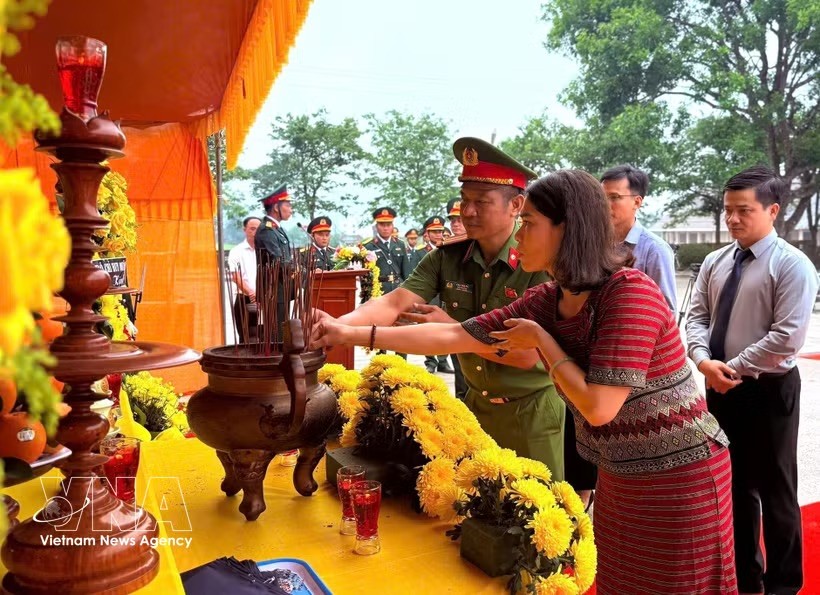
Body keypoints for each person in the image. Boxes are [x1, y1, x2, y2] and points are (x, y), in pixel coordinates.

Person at [316, 169, 736, 594]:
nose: (519, 235)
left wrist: (541, 341)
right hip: (621, 472)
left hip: (682, 477)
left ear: (566, 228)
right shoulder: (549, 298)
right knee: (624, 583)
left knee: (684, 585)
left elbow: (599, 406)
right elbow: (453, 335)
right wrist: (347, 333)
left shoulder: (629, 293)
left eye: (530, 222)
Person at [313, 137, 565, 480]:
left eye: (482, 201)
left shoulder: (540, 262)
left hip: (531, 414)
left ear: (516, 205)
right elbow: (394, 302)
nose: (468, 211)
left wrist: (453, 327)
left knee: (536, 514)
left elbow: (526, 355)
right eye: (465, 200)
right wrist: (335, 324)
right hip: (474, 408)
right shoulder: (448, 257)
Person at [686, 165, 818, 595]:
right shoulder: (715, 261)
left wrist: (734, 366)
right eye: (728, 210)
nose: (733, 219)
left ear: (773, 210)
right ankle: (746, 581)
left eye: (744, 210)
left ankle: (784, 585)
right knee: (734, 488)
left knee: (778, 490)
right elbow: (697, 317)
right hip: (718, 385)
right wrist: (704, 361)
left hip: (769, 390)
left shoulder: (792, 265)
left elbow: (787, 337)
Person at [601, 164, 677, 311]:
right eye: (601, 198)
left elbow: (667, 311)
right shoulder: (593, 244)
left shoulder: (654, 250)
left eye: (614, 197)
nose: (605, 205)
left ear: (637, 202)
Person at [254, 184, 294, 342]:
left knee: (283, 333)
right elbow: (278, 260)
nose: (291, 209)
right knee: (277, 336)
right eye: (288, 205)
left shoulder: (277, 229)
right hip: (272, 290)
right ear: (276, 207)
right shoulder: (267, 230)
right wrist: (299, 270)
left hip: (281, 289)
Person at [419, 216, 455, 375]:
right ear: (427, 232)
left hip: (446, 295)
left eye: (440, 231)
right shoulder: (419, 252)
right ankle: (430, 360)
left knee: (446, 328)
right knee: (428, 329)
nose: (438, 234)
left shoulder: (448, 248)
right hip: (429, 296)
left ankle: (442, 360)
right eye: (434, 231)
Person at [227, 216, 261, 342]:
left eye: (258, 229)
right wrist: (251, 293)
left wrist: (262, 295)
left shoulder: (266, 250)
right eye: (252, 229)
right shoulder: (236, 251)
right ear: (244, 230)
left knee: (264, 338)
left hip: (265, 300)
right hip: (244, 300)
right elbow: (236, 276)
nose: (255, 232)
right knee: (247, 339)